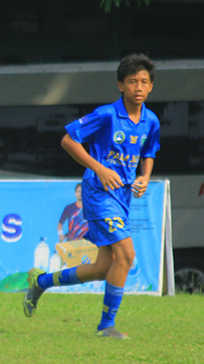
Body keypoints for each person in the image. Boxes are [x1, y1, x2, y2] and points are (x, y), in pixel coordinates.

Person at [22, 53, 161, 339]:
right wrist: (99, 168)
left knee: (102, 268)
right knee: (127, 254)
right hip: (98, 192)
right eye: (132, 81)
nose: (138, 86)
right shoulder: (107, 114)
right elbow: (68, 140)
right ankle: (106, 326)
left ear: (150, 87)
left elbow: (149, 153)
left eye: (143, 81)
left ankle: (42, 282)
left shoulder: (151, 121)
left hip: (122, 196)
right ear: (120, 85)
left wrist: (144, 177)